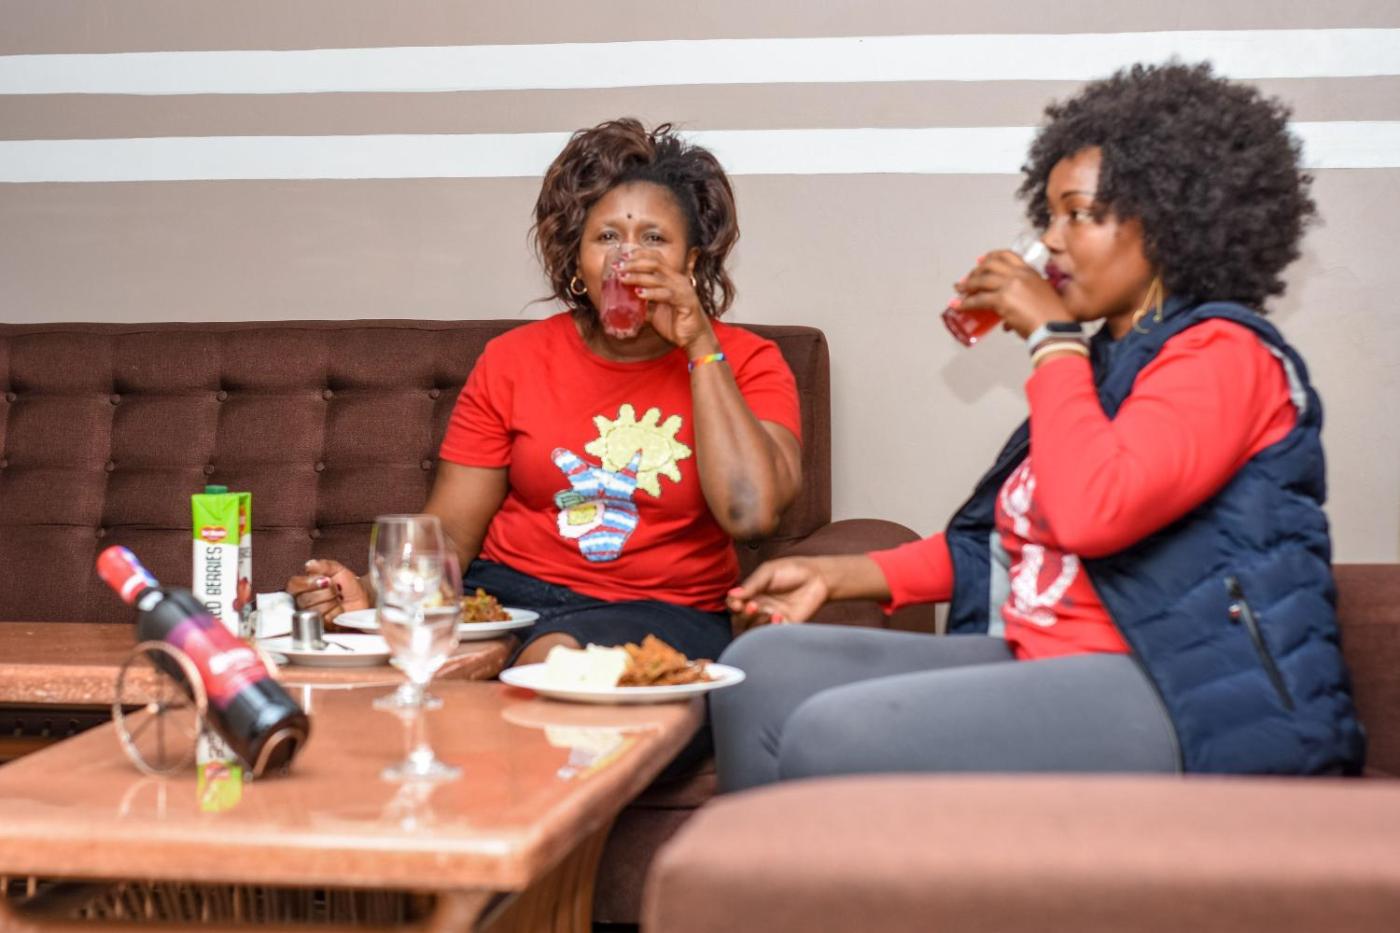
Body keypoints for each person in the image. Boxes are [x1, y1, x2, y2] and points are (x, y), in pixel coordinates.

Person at [712, 62, 1365, 792]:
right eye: (1048, 215)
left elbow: (1094, 511)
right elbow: (1005, 548)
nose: (1050, 240)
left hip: (1181, 692)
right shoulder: (1105, 364)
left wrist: (1052, 342)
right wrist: (836, 575)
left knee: (835, 733)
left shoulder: (1224, 354)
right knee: (762, 668)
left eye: (1077, 213)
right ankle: (754, 864)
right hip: (1052, 661)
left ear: (1168, 221)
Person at [289, 119, 803, 667]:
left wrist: (700, 344)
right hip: (505, 600)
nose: (628, 258)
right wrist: (367, 592)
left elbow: (751, 515)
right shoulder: (513, 359)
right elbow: (452, 536)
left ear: (691, 262)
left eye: (654, 239)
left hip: (660, 611)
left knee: (555, 658)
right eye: (607, 238)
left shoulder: (747, 361)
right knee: (402, 663)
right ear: (579, 262)